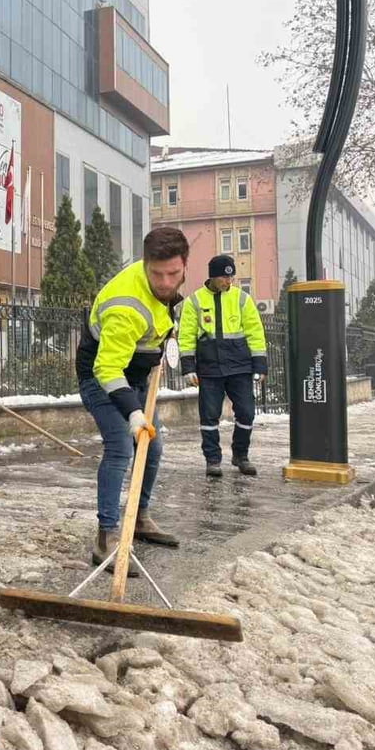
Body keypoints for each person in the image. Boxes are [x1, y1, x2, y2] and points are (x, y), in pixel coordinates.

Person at [76, 226, 189, 570]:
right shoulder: (126, 303)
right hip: (102, 377)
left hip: (137, 377)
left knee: (152, 448)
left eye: (174, 273)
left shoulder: (167, 287)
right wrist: (133, 414)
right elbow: (107, 367)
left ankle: (138, 518)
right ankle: (106, 534)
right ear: (145, 264)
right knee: (121, 447)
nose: (167, 283)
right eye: (157, 274)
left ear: (185, 265)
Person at [178, 255, 268, 478]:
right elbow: (186, 336)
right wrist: (188, 368)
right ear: (213, 276)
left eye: (231, 276)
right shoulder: (194, 301)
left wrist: (260, 366)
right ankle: (212, 460)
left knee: (246, 413)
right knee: (209, 417)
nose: (229, 281)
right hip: (209, 369)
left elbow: (255, 332)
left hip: (240, 366)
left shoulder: (242, 299)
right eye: (224, 277)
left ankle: (241, 455)